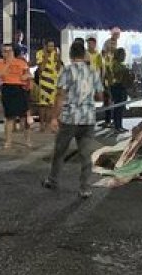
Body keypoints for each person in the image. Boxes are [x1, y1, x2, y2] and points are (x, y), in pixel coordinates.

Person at [42, 40, 104, 198]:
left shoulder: (67, 71)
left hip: (70, 118)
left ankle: (53, 180)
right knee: (85, 154)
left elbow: (60, 96)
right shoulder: (93, 71)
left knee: (60, 152)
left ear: (70, 55)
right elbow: (99, 96)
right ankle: (85, 188)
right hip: (88, 118)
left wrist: (54, 118)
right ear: (84, 55)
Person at [0, 43, 33, 149]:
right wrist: (8, 63)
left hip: (20, 89)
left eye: (9, 50)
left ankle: (28, 140)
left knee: (24, 117)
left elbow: (29, 74)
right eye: (5, 51)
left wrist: (26, 76)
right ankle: (8, 141)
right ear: (1, 53)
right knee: (9, 117)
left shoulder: (21, 62)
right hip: (7, 88)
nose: (7, 53)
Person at [34, 40, 62, 128]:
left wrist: (58, 59)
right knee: (43, 105)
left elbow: (58, 69)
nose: (51, 48)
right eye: (49, 46)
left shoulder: (55, 53)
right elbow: (41, 69)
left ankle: (47, 124)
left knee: (51, 105)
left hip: (53, 81)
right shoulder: (40, 53)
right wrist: (46, 57)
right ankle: (41, 124)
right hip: (44, 81)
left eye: (52, 46)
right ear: (45, 46)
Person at [107, 48, 132, 132]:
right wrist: (125, 70)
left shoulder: (121, 64)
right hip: (117, 87)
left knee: (120, 107)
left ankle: (119, 125)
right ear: (119, 55)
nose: (124, 56)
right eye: (123, 54)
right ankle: (117, 126)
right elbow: (116, 75)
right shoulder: (114, 64)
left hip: (121, 87)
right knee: (118, 108)